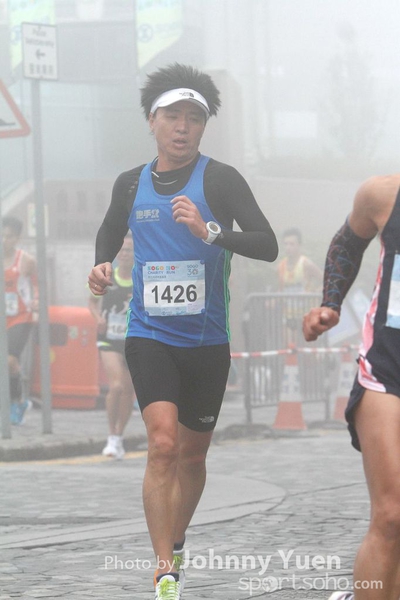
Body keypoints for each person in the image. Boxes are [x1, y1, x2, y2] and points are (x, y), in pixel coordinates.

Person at [88, 63, 278, 599]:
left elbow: (267, 244)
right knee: (163, 444)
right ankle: (163, 568)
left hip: (207, 341)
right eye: (173, 116)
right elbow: (109, 231)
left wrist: (209, 230)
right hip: (149, 334)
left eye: (194, 118)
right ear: (152, 121)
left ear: (203, 127)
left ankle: (176, 538)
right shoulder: (131, 183)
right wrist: (101, 265)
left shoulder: (220, 180)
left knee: (193, 456)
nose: (183, 127)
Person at [302, 175, 400, 600]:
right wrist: (330, 304)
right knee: (392, 514)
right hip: (388, 369)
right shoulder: (384, 194)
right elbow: (346, 243)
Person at [88, 234, 136, 460]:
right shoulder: (106, 276)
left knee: (128, 390)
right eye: (122, 250)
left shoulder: (140, 278)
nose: (124, 254)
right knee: (116, 386)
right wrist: (98, 318)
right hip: (109, 338)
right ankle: (110, 434)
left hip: (133, 340)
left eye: (129, 250)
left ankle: (118, 435)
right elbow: (92, 301)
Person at [3, 216, 38, 425]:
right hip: (3, 317)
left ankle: (16, 402)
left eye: (8, 236)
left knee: (9, 359)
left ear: (16, 238)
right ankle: (19, 401)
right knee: (9, 363)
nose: (4, 240)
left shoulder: (26, 260)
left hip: (21, 316)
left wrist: (36, 301)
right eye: (2, 236)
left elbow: (38, 283)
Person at [278, 227, 322, 293]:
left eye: (291, 244)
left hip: (306, 299)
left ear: (299, 245)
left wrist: (315, 292)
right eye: (286, 244)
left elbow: (327, 281)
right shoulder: (281, 266)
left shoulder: (306, 264)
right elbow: (281, 290)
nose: (288, 247)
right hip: (288, 299)